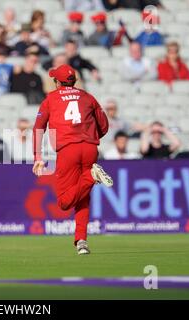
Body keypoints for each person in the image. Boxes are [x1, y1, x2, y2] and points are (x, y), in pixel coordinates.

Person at [32, 64, 112, 255]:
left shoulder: (51, 98)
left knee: (64, 203)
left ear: (57, 82)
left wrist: (38, 156)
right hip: (91, 148)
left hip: (68, 150)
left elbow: (38, 128)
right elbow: (104, 125)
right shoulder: (87, 97)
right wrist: (91, 138)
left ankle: (92, 176)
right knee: (82, 197)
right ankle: (81, 241)